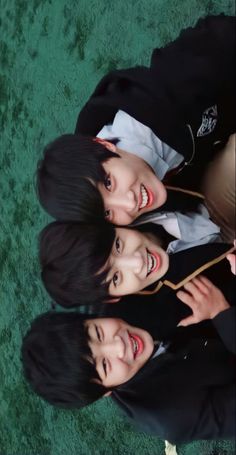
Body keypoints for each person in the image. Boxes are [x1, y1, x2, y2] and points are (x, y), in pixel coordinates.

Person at [36, 15, 235, 235]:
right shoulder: (126, 230)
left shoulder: (172, 86)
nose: (129, 204)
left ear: (104, 145)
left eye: (109, 183)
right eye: (107, 213)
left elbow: (223, 36)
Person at [21, 287, 236, 444]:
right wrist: (222, 315)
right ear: (106, 392)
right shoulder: (173, 416)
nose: (119, 345)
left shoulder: (120, 294)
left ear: (91, 318)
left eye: (98, 332)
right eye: (105, 365)